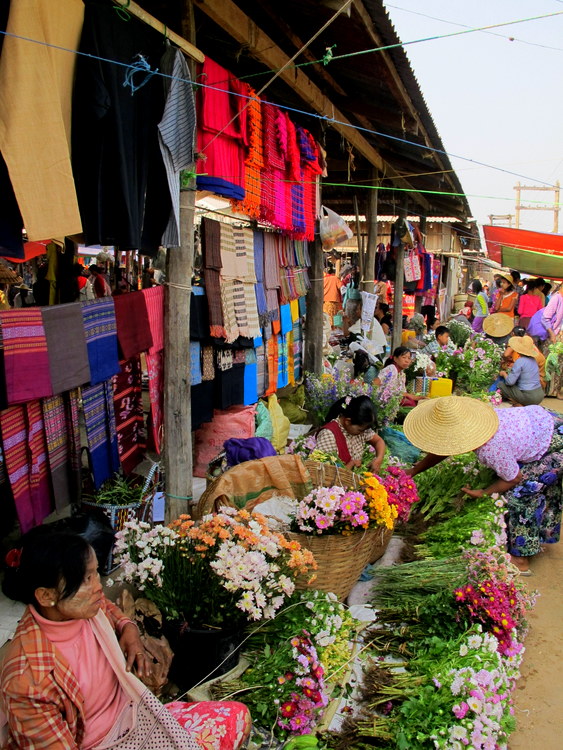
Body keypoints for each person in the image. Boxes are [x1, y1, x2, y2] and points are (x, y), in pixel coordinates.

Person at [0, 527, 251, 750]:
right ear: (46, 596)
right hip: (101, 743)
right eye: (86, 579)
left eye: (96, 573)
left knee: (237, 717)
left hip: (133, 717)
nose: (99, 586)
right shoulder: (28, 679)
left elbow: (109, 608)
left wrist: (128, 628)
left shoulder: (86, 609)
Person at [404, 396, 563, 574]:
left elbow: (513, 478)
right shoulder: (481, 420)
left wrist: (484, 492)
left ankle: (521, 559)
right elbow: (446, 448)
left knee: (520, 494)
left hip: (555, 443)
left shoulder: (490, 447)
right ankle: (542, 534)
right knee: (533, 481)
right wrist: (415, 470)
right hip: (546, 420)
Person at [316, 395, 386, 473]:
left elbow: (378, 441)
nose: (364, 433)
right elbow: (324, 473)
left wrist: (379, 459)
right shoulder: (329, 434)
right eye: (360, 430)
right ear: (347, 421)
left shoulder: (360, 428)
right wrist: (351, 464)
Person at [527, 282, 563, 398]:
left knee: (559, 365)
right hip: (553, 335)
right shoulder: (556, 298)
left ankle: (555, 390)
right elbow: (545, 318)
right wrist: (552, 334)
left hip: (559, 335)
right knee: (550, 363)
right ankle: (546, 390)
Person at [498, 336, 544, 406]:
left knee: (501, 385)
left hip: (529, 396)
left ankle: (519, 403)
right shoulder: (533, 360)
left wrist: (504, 374)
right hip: (540, 395)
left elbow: (510, 382)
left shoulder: (520, 361)